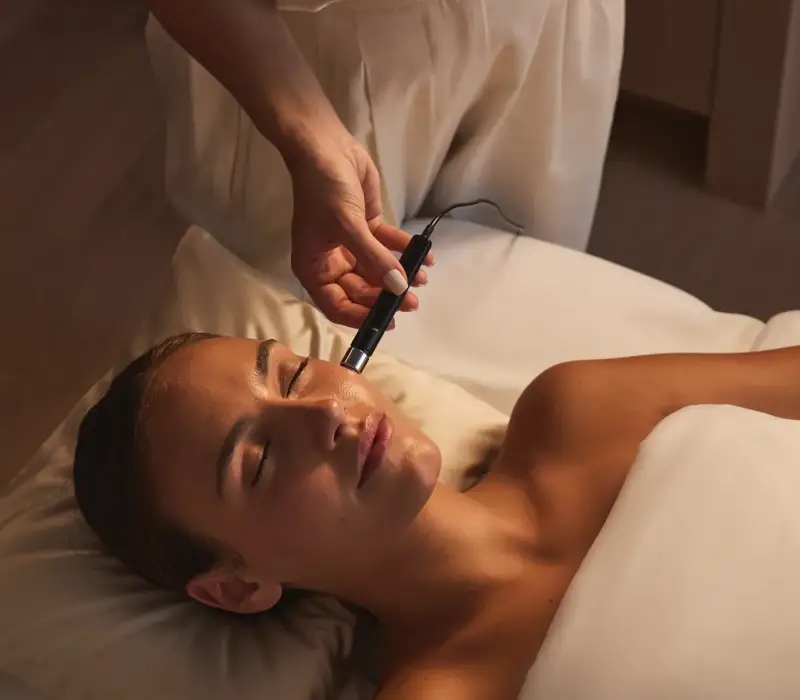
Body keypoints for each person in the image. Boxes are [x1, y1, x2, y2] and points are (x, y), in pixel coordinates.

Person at [73, 332, 800, 699]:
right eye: (258, 460)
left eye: (293, 374)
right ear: (238, 586)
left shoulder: (581, 411)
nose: (326, 413)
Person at [143, 0, 625, 327]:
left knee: (511, 297)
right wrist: (312, 136)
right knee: (283, 317)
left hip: (553, 21)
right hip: (309, 55)